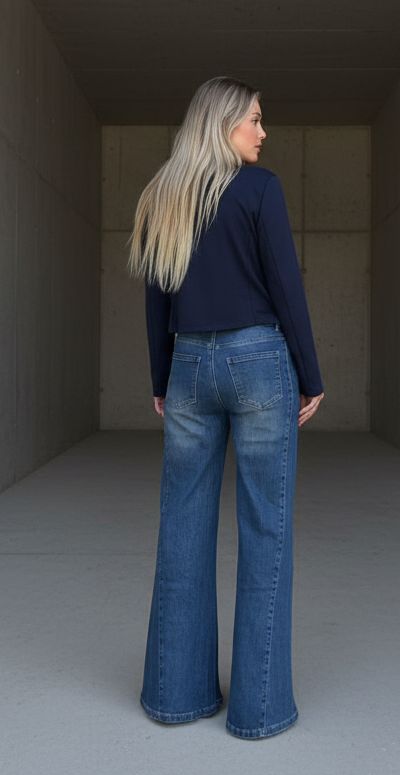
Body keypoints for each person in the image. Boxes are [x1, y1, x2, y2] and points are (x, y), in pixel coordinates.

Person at [127, 75, 325, 740]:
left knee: (181, 527)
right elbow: (286, 285)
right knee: (266, 528)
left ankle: (174, 696)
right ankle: (258, 709)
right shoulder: (259, 190)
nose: (263, 132)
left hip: (188, 366)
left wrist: (162, 376)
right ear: (222, 123)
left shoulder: (164, 192)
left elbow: (156, 296)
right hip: (259, 362)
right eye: (254, 120)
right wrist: (310, 374)